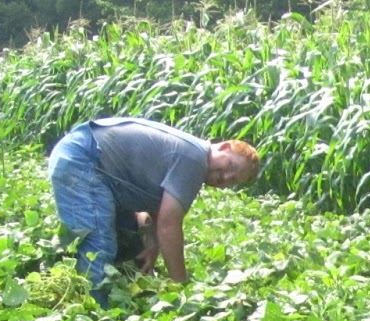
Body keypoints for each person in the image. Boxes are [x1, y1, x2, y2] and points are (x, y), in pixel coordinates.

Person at [46, 116, 261, 302]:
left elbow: (157, 207)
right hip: (84, 160)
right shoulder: (195, 159)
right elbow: (169, 225)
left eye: (232, 180)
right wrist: (180, 286)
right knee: (98, 245)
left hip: (91, 160)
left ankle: (111, 289)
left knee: (132, 240)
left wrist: (152, 243)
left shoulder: (191, 154)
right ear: (224, 147)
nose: (224, 177)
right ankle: (92, 313)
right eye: (230, 166)